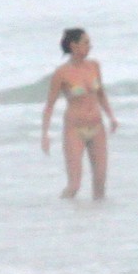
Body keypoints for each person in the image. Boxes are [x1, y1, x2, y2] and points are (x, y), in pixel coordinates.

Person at [41, 28, 118, 200]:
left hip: (97, 127)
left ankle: (97, 224)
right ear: (73, 46)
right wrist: (45, 134)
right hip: (75, 129)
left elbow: (101, 94)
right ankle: (60, 215)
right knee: (74, 185)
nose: (90, 46)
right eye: (86, 43)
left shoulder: (94, 66)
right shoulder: (61, 73)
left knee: (100, 183)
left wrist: (111, 117)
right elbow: (49, 106)